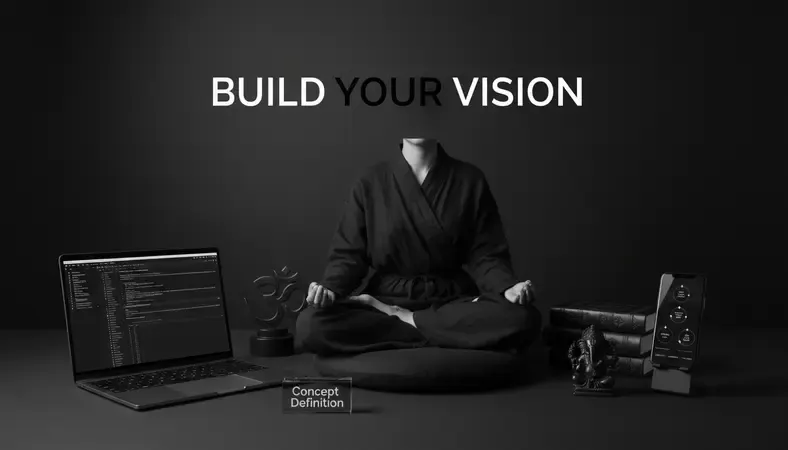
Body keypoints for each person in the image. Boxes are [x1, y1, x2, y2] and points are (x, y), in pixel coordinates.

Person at [296, 138, 542, 356]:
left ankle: (407, 321)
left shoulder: (469, 180)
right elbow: (348, 256)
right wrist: (330, 289)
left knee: (522, 317)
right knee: (311, 324)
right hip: (384, 300)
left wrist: (507, 287)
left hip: (453, 302)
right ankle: (441, 334)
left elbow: (486, 255)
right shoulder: (370, 182)